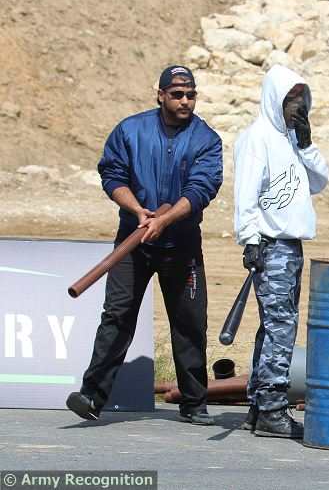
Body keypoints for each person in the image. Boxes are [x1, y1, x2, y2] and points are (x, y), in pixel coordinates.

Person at [66, 65, 223, 425]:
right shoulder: (130, 130)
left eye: (191, 94)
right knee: (117, 315)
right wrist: (137, 210)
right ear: (161, 95)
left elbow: (201, 189)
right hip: (132, 240)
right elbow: (112, 174)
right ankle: (91, 395)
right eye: (177, 94)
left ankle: (194, 402)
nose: (185, 101)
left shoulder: (206, 140)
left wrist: (165, 220)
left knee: (188, 321)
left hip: (181, 244)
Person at [233, 65, 329, 438]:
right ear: (275, 99)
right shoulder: (256, 138)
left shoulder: (292, 140)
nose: (297, 107)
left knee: (273, 326)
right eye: (291, 99)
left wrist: (306, 144)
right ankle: (273, 407)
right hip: (270, 246)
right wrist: (250, 239)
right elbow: (245, 195)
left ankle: (258, 407)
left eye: (302, 100)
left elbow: (320, 181)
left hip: (292, 245)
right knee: (282, 327)